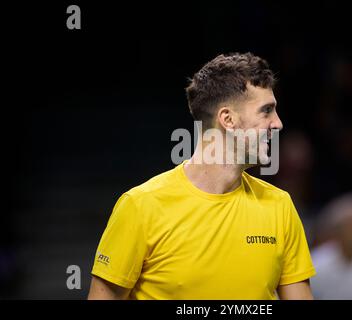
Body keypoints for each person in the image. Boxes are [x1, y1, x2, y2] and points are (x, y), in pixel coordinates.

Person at [87, 52, 316, 300]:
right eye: (266, 111)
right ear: (227, 119)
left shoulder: (280, 206)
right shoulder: (141, 207)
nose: (278, 123)